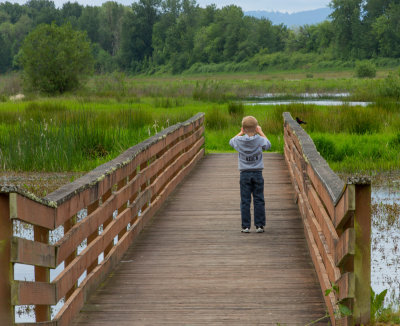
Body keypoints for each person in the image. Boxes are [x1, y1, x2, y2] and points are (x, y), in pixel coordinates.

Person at [229, 116, 271, 233]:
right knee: (259, 199)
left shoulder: (239, 140)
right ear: (256, 128)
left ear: (243, 128)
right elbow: (268, 144)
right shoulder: (260, 140)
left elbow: (230, 141)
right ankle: (259, 225)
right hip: (257, 173)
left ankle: (246, 226)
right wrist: (261, 132)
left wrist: (241, 132)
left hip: (244, 174)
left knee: (245, 200)